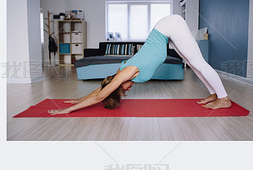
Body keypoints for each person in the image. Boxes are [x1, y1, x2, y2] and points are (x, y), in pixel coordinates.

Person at [48, 14, 231, 115]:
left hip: (169, 26)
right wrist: (77, 99)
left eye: (123, 90)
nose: (127, 90)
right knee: (192, 63)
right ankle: (214, 94)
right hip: (166, 31)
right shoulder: (120, 76)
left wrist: (68, 110)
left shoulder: (125, 73)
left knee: (199, 62)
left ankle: (223, 98)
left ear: (118, 84)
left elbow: (100, 95)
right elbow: (101, 90)